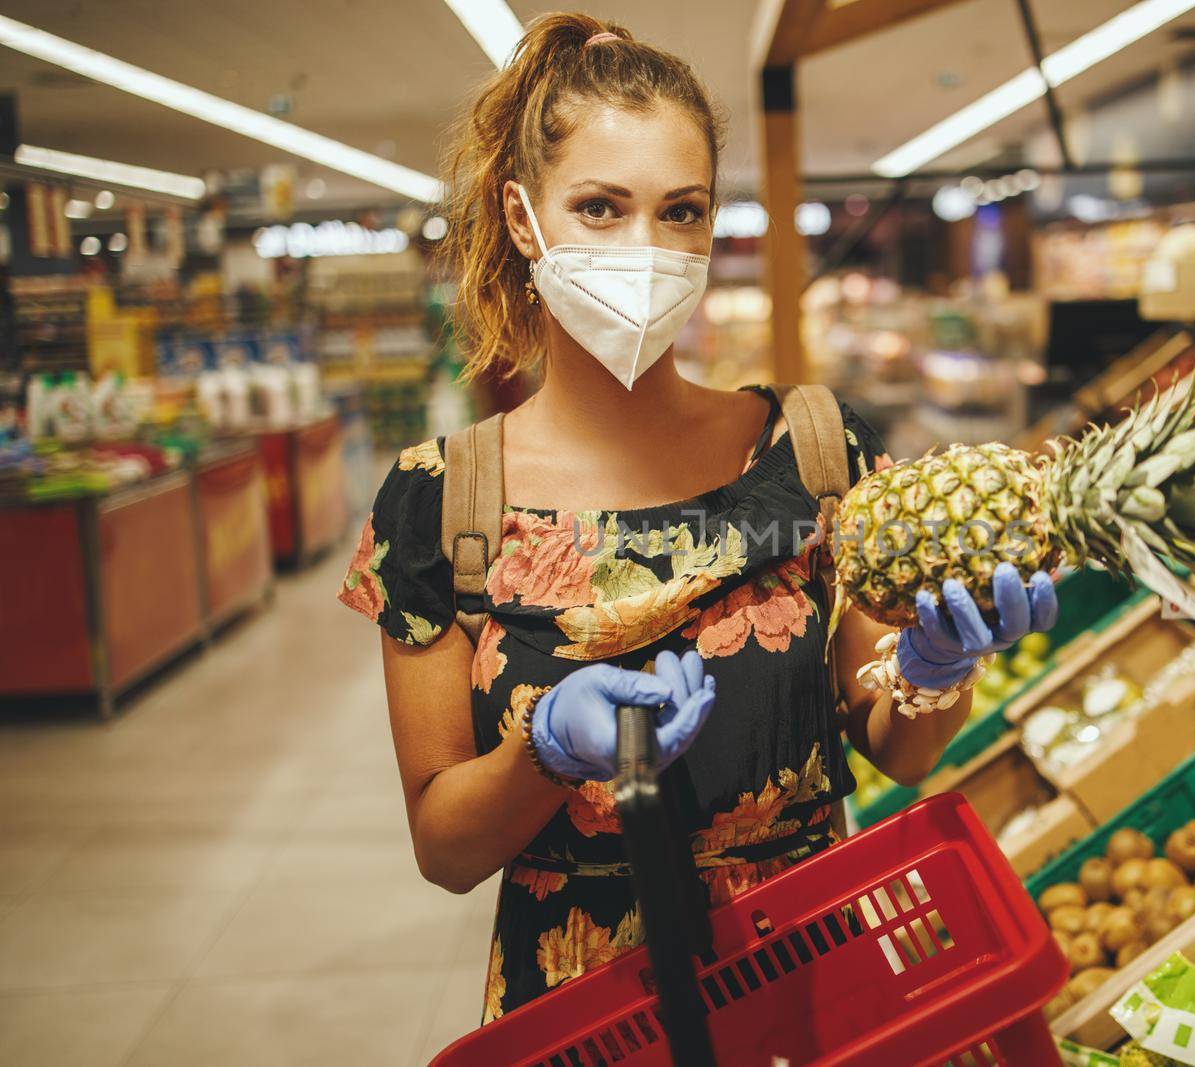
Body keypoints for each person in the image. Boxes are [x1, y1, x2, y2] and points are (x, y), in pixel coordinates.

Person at [337, 12, 1058, 1023]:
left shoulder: (811, 449)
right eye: (599, 207)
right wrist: (541, 749)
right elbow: (446, 850)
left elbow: (891, 745)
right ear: (520, 214)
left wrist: (935, 670)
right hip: (587, 1008)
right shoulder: (436, 501)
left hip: (813, 969)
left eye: (681, 212)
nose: (648, 248)